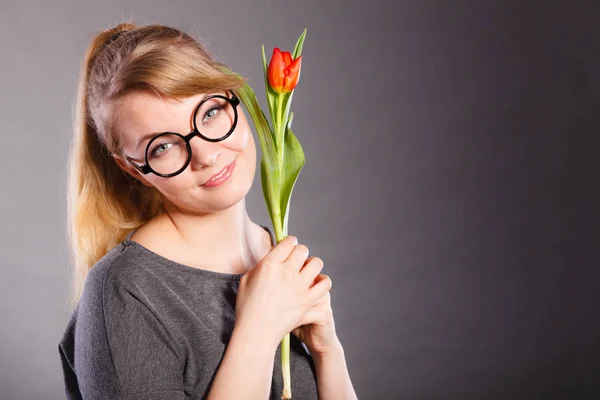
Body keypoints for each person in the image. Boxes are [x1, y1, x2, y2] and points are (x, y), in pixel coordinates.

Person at [57, 21, 358, 400]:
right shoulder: (125, 292)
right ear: (133, 169)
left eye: (211, 112)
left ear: (231, 94)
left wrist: (327, 351)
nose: (206, 154)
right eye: (163, 147)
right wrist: (258, 331)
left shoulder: (274, 253)